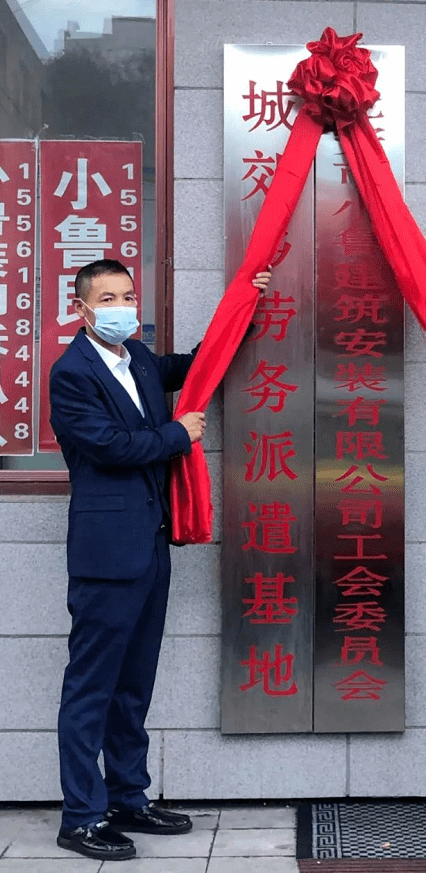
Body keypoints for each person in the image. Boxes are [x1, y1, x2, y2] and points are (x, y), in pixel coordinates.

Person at [50, 258, 270, 862]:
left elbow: (198, 364)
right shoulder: (72, 373)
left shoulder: (140, 361)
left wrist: (242, 308)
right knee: (91, 689)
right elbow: (109, 446)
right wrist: (180, 434)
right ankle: (81, 815)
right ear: (84, 309)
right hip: (105, 556)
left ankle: (127, 797)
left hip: (150, 545)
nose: (123, 306)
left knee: (133, 687)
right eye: (109, 298)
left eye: (128, 294)